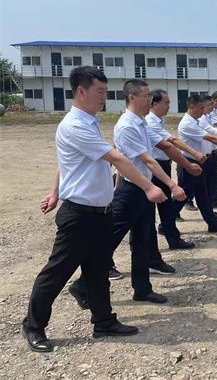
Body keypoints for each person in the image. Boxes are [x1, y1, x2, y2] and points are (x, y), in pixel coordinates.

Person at [22, 66, 167, 352]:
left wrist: (54, 192)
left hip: (100, 212)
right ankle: (33, 326)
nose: (104, 97)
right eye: (99, 91)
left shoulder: (89, 123)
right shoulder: (74, 126)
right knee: (57, 273)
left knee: (98, 271)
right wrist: (149, 187)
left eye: (105, 91)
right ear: (81, 91)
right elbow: (118, 159)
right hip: (79, 215)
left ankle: (104, 321)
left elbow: (66, 163)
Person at [70, 79, 198, 306]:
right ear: (132, 97)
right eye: (146, 96)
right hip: (130, 191)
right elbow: (147, 160)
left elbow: (163, 146)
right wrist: (171, 184)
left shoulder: (141, 123)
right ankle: (81, 285)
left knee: (142, 240)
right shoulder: (127, 126)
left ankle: (142, 289)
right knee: (109, 240)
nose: (150, 100)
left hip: (143, 190)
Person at [146, 89, 206, 251]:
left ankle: (171, 237)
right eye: (166, 103)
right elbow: (170, 141)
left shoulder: (157, 121)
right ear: (155, 104)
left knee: (165, 205)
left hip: (162, 165)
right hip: (155, 166)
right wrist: (192, 156)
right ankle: (166, 240)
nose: (168, 106)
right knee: (157, 207)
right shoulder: (150, 122)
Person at [176, 95, 217, 233]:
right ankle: (166, 223)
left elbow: (212, 136)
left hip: (198, 163)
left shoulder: (195, 121)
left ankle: (213, 224)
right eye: (201, 108)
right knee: (182, 196)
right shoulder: (188, 123)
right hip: (189, 163)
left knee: (203, 196)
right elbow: (211, 137)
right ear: (192, 107)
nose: (203, 111)